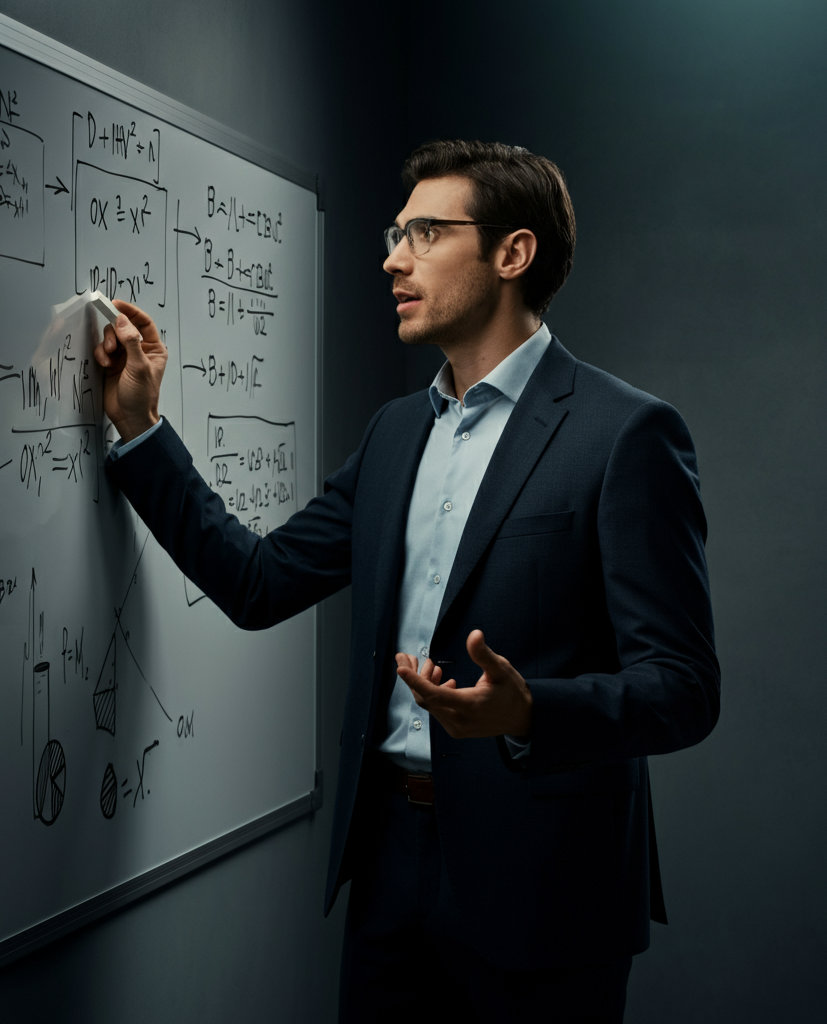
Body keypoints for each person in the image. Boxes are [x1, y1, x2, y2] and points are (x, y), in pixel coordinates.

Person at [94, 140, 719, 1023]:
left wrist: (530, 711)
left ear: (513, 253)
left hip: (545, 883)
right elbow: (259, 581)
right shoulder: (396, 433)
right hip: (386, 865)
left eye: (425, 233)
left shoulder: (627, 435)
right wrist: (144, 430)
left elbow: (684, 691)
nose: (393, 257)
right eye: (397, 232)